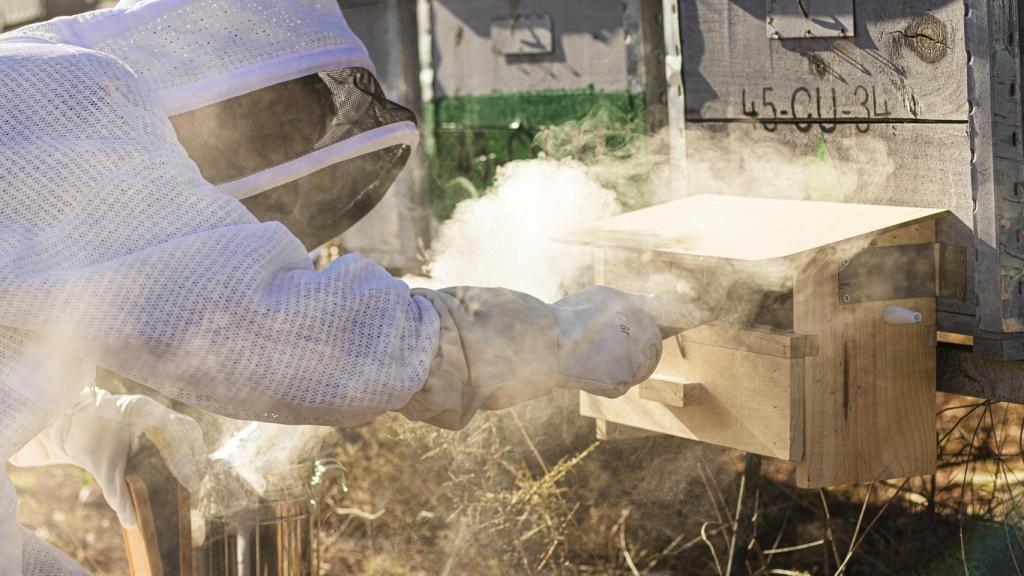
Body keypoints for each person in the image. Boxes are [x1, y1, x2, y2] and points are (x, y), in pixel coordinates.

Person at [0, 0, 664, 573]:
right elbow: (254, 327)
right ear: (225, 91)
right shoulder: (73, 93)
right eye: (271, 136)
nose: (272, 173)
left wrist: (72, 422)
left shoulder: (40, 86)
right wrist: (536, 339)